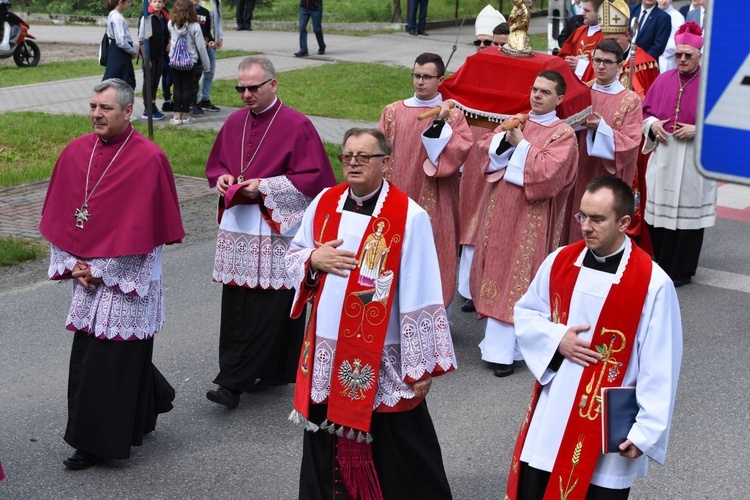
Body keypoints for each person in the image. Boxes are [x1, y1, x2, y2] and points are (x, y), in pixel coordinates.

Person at [287, 128, 457, 499]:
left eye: (364, 156)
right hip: (327, 347)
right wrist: (313, 259)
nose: (353, 163)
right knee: (324, 431)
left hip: (381, 352)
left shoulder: (409, 216)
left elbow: (423, 292)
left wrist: (420, 366)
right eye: (347, 156)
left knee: (398, 441)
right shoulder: (325, 202)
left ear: (386, 161)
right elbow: (294, 255)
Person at [505, 175, 683, 499]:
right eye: (582, 216)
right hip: (553, 415)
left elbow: (662, 363)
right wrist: (557, 338)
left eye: (597, 219)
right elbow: (526, 312)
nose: (586, 226)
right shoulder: (559, 261)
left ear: (624, 223)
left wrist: (646, 431)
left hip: (605, 426)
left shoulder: (653, 284)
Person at [39, 78, 185, 470]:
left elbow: (149, 235)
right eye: (92, 107)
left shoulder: (148, 158)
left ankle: (94, 443)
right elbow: (59, 217)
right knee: (94, 357)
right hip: (87, 277)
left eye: (105, 108)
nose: (96, 114)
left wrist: (103, 270)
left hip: (125, 281)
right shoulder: (75, 152)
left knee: (110, 361)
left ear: (127, 111)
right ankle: (149, 401)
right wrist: (75, 266)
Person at [204, 56, 336, 409]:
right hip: (239, 228)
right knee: (237, 306)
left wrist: (264, 187)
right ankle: (258, 372)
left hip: (276, 231)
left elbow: (315, 181)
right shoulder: (234, 122)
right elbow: (217, 164)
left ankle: (234, 382)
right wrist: (224, 179)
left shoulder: (297, 125)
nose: (246, 95)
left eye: (253, 88)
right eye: (241, 88)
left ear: (273, 85)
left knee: (271, 306)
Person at [470, 70, 578, 378]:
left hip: (532, 216)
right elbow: (486, 152)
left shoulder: (563, 134)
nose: (537, 95)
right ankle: (497, 347)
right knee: (494, 269)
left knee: (519, 276)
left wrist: (522, 144)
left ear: (559, 99)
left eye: (545, 92)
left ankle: (509, 352)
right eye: (534, 89)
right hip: (501, 211)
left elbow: (548, 175)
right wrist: (505, 143)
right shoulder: (518, 121)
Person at [379, 52, 473, 309]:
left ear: (440, 79)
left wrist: (440, 122)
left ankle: (434, 314)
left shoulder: (454, 116)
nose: (420, 82)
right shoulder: (392, 111)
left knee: (434, 252)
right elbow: (378, 151)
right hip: (396, 194)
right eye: (417, 76)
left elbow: (459, 151)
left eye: (427, 77)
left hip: (436, 197)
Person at [642, 21, 715, 287]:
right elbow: (645, 113)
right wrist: (653, 125)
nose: (682, 60)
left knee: (689, 215)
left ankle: (683, 270)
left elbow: (724, 122)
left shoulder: (712, 83)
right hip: (664, 153)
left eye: (688, 55)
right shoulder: (662, 80)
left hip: (694, 157)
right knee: (660, 209)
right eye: (678, 55)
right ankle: (662, 261)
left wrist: (699, 130)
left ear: (699, 56)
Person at [561, 40, 642, 245]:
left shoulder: (630, 100)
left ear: (620, 66)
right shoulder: (581, 91)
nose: (601, 66)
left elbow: (631, 143)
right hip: (577, 171)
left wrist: (601, 129)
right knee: (572, 227)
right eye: (597, 60)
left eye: (607, 62)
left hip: (605, 175)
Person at [167, 0, 209, 124]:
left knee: (177, 87)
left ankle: (176, 116)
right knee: (187, 88)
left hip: (175, 61)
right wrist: (206, 65)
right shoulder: (195, 26)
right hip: (190, 61)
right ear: (191, 11)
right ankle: (185, 116)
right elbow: (201, 46)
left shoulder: (170, 23)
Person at [557, 0, 604, 81]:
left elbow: (607, 65)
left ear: (600, 12)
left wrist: (581, 65)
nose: (582, 13)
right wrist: (569, 61)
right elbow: (563, 55)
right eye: (583, 9)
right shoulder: (579, 31)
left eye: (587, 10)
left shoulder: (606, 36)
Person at [138, 0, 168, 121]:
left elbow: (166, 33)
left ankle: (153, 104)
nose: (157, 4)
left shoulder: (163, 17)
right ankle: (147, 109)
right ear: (150, 2)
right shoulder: (146, 16)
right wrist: (146, 58)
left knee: (155, 82)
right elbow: (141, 39)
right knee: (148, 82)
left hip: (160, 55)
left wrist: (168, 42)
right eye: (155, 1)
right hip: (149, 56)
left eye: (160, 2)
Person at [103, 0, 138, 90]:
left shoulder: (115, 15)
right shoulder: (116, 17)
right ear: (120, 2)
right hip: (119, 53)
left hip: (119, 52)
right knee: (117, 82)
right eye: (128, 2)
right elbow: (121, 41)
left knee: (122, 81)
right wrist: (132, 50)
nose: (130, 4)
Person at [197, 0, 223, 112]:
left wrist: (219, 37)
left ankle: (205, 99)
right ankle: (194, 100)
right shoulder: (196, 3)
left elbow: (218, 20)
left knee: (210, 72)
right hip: (198, 44)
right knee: (196, 73)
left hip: (211, 43)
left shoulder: (216, 2)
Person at [657, 0, 685, 73]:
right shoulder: (652, 13)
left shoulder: (678, 17)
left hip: (667, 59)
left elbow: (679, 40)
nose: (664, 1)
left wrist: (661, 50)